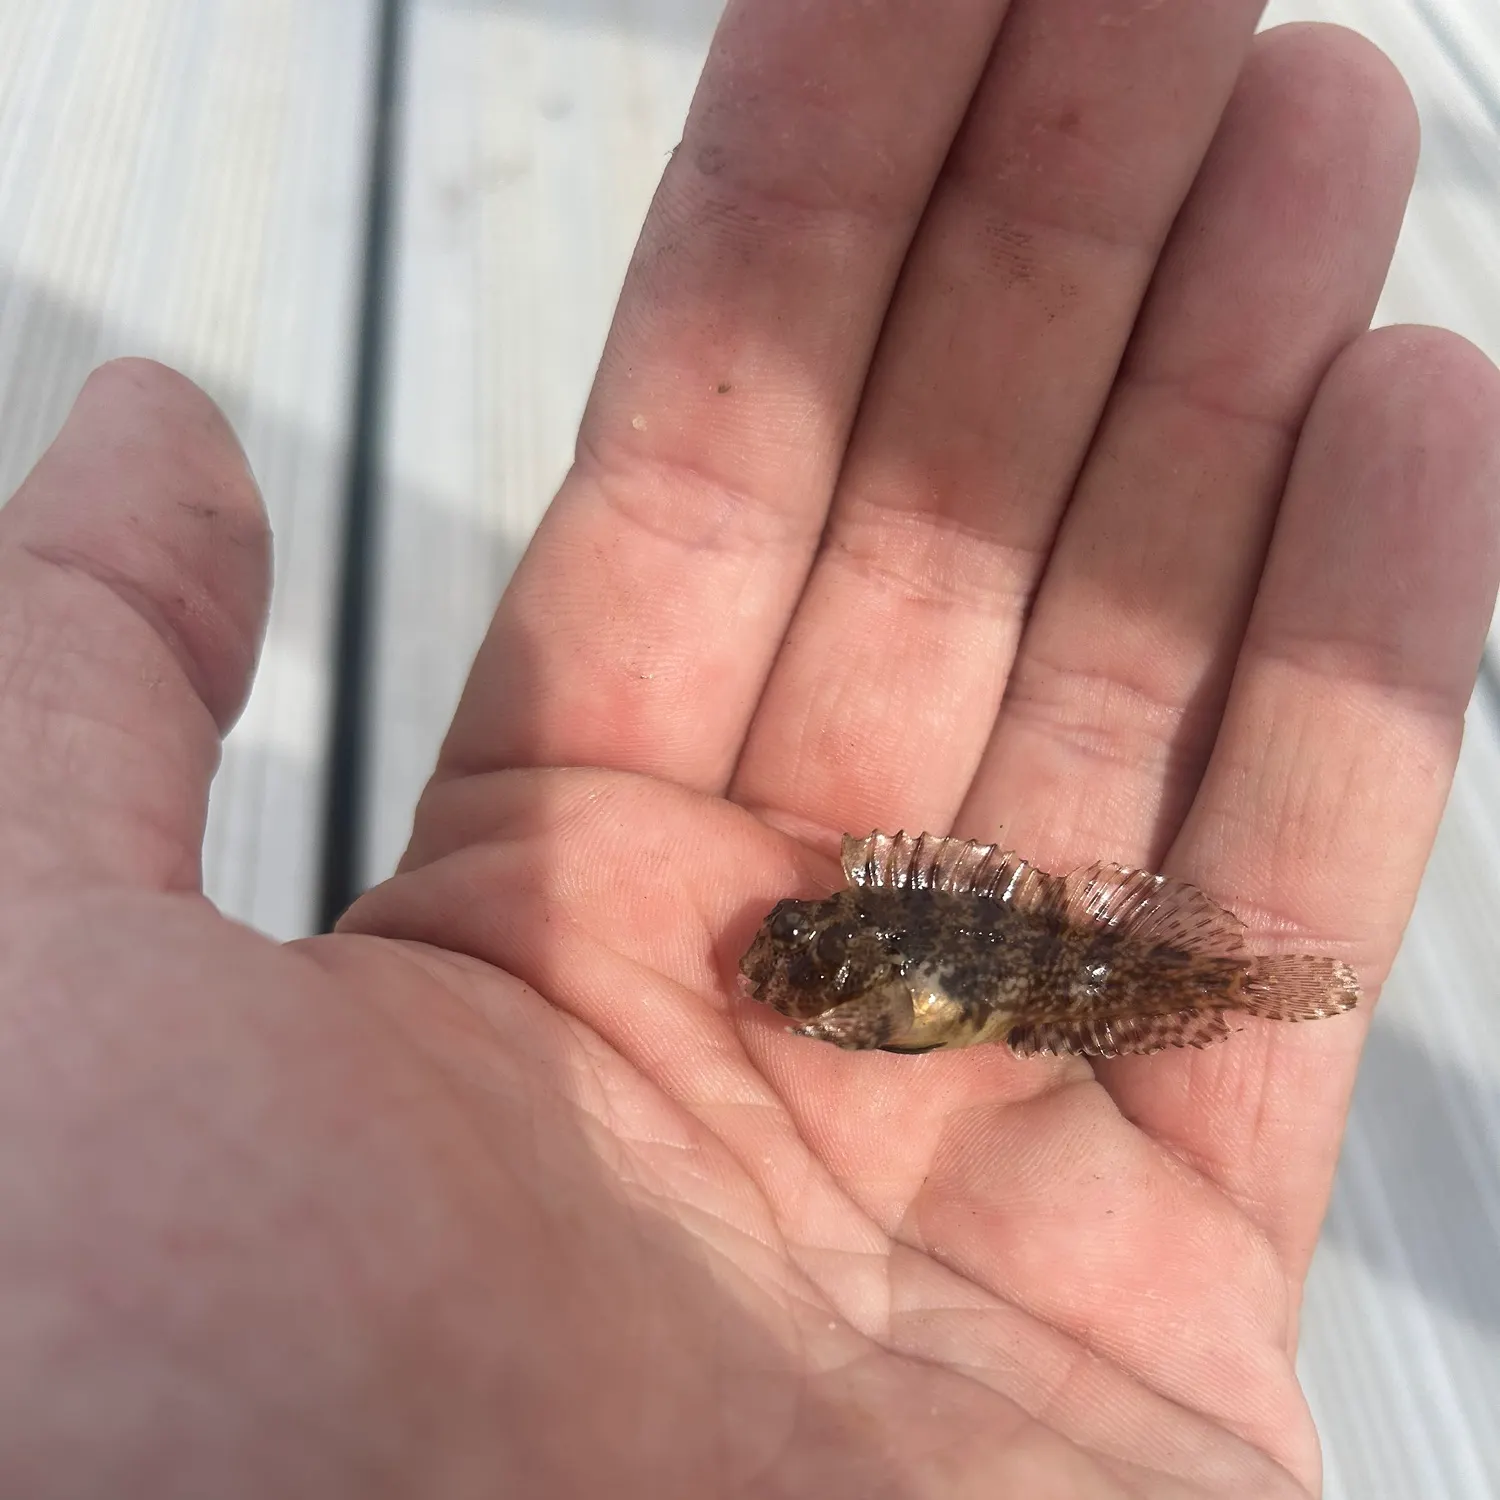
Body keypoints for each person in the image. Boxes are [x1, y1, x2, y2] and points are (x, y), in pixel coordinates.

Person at [1, 4, 1496, 1495]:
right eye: (804, 960)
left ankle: (1261, 984)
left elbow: (929, 1002)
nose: (780, 972)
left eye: (808, 967)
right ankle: (1261, 984)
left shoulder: (910, 981)